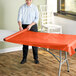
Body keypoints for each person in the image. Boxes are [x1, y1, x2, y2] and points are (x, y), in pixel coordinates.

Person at [17, 0, 39, 64]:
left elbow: (37, 18)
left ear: (31, 0)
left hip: (33, 25)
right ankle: (24, 59)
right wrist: (20, 26)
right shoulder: (22, 7)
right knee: (25, 44)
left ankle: (36, 58)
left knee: (34, 43)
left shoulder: (35, 7)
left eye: (29, 0)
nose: (28, 1)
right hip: (24, 26)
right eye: (27, 0)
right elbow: (19, 18)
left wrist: (31, 25)